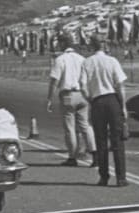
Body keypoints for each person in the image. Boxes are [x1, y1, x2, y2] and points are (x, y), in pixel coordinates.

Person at [81, 37, 129, 187]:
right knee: (117, 141)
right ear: (104, 46)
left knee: (100, 141)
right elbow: (120, 85)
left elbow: (82, 86)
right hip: (112, 100)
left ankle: (103, 176)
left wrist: (90, 100)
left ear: (92, 47)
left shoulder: (87, 62)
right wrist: (123, 106)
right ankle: (121, 177)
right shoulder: (112, 61)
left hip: (97, 101)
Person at [46, 34, 96, 167]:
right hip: (82, 93)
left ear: (63, 44)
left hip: (68, 94)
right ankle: (95, 153)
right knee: (85, 125)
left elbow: (54, 81)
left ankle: (72, 157)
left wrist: (50, 98)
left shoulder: (60, 59)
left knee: (70, 128)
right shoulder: (82, 59)